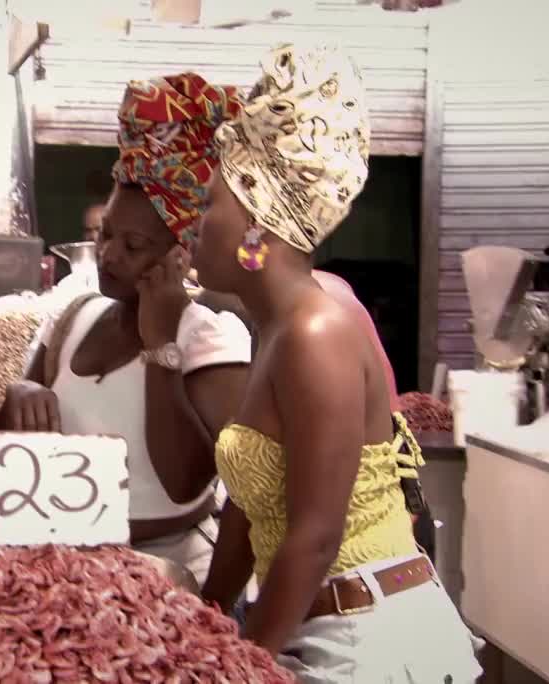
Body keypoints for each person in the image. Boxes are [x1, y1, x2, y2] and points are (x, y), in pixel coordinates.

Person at [193, 44, 480, 681]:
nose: (194, 223)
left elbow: (315, 535)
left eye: (211, 203)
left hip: (368, 642)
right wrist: (202, 620)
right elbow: (250, 504)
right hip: (323, 628)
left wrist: (235, 665)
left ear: (254, 227)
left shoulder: (314, 333)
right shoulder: (274, 326)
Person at [0, 73, 251, 586]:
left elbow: (184, 484)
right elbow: (7, 448)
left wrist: (160, 344)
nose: (109, 254)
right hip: (52, 563)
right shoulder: (74, 312)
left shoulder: (209, 338)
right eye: (107, 233)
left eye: (133, 246)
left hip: (164, 571)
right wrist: (18, 392)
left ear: (181, 252)